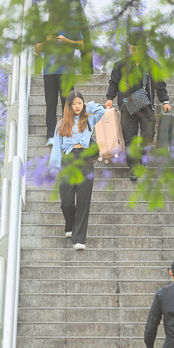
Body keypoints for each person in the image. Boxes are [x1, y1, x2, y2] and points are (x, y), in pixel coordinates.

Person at [105, 32, 171, 181]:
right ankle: (134, 167)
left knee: (148, 134)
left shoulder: (152, 64)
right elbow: (113, 83)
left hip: (146, 106)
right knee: (129, 138)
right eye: (133, 49)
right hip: (127, 106)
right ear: (130, 48)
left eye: (139, 49)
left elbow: (160, 84)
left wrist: (165, 101)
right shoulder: (121, 65)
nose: (136, 52)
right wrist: (110, 98)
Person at [49, 90, 105, 250]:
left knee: (83, 201)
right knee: (66, 202)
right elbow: (56, 148)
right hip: (68, 161)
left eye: (80, 103)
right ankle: (70, 224)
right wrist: (53, 168)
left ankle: (79, 239)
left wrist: (89, 105)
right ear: (69, 106)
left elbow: (101, 110)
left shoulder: (89, 120)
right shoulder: (61, 124)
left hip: (85, 161)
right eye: (74, 104)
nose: (78, 106)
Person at [35, 12, 84, 146]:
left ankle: (68, 134)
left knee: (68, 105)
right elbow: (37, 48)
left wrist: (66, 41)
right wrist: (46, 40)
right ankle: (51, 136)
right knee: (50, 105)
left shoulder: (72, 25)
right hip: (49, 72)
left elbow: (82, 44)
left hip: (67, 72)